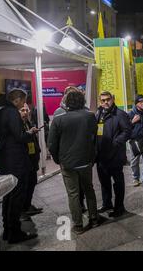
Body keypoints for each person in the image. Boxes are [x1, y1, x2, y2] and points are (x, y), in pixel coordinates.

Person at [48, 91, 100, 234]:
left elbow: (51, 143)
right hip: (86, 161)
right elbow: (94, 136)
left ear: (66, 102)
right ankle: (94, 218)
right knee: (89, 190)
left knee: (73, 194)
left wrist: (58, 159)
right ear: (82, 101)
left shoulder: (58, 120)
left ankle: (78, 225)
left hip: (68, 163)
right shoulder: (90, 116)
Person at [0, 89, 38, 244]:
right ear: (17, 99)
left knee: (8, 194)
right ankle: (14, 232)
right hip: (15, 160)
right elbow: (19, 136)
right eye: (23, 101)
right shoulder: (11, 112)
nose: (23, 105)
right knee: (17, 196)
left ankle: (8, 230)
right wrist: (30, 133)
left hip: (3, 159)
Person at [95, 91, 131, 218]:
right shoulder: (99, 113)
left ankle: (119, 207)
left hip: (115, 156)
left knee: (118, 183)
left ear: (113, 99)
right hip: (101, 156)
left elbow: (127, 132)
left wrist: (115, 142)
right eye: (103, 100)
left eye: (108, 99)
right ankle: (107, 204)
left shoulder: (120, 114)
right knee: (104, 183)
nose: (105, 102)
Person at [53, 86, 87, 212]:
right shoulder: (59, 112)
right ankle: (80, 212)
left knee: (81, 187)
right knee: (74, 189)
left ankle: (79, 212)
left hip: (79, 156)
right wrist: (58, 158)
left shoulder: (85, 111)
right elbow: (54, 138)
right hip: (69, 156)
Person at [18, 103, 43, 221]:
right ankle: (22, 210)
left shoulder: (28, 123)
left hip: (32, 159)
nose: (25, 112)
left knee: (32, 182)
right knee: (24, 185)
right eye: (22, 110)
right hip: (24, 160)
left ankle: (28, 205)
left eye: (26, 110)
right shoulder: (17, 125)